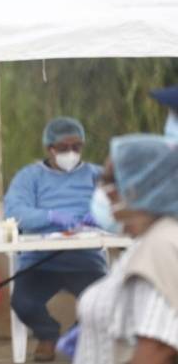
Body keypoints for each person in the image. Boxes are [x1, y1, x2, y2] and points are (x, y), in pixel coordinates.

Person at [4, 116, 107, 362]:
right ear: (49, 148)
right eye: (63, 148)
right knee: (23, 302)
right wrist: (50, 216)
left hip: (85, 260)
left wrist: (103, 215)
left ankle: (73, 339)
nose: (71, 153)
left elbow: (121, 205)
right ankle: (47, 334)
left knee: (107, 302)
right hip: (41, 260)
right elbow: (15, 212)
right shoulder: (29, 177)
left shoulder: (97, 175)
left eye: (76, 147)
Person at [75, 134, 178, 363]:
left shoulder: (162, 245)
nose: (103, 190)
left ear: (145, 183)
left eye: (113, 179)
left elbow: (157, 350)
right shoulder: (147, 242)